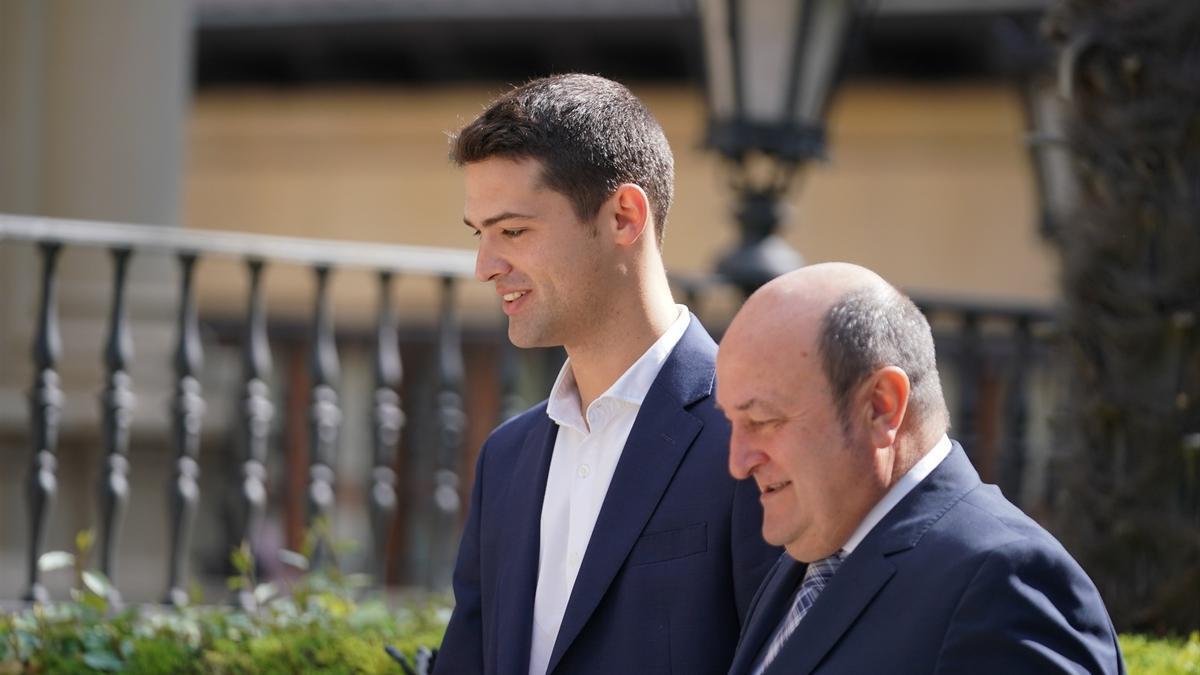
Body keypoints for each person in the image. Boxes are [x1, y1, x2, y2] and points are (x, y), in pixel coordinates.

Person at [433, 74, 780, 675]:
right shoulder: (505, 460)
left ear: (623, 216)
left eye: (512, 231)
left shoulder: (754, 438)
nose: (485, 267)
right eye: (479, 235)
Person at [716, 262, 1125, 675]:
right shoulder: (805, 561)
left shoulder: (1005, 583)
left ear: (881, 406)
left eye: (763, 420)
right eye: (732, 423)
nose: (739, 461)